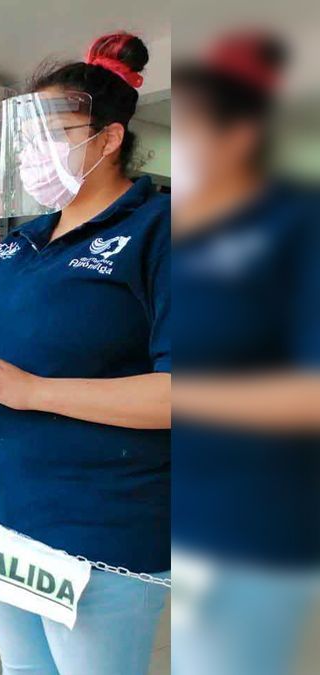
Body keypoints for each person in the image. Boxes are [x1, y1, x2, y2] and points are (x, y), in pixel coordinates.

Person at [0, 32, 170, 674]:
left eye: (52, 134)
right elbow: (1, 346)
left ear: (109, 138)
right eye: (26, 139)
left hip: (96, 526)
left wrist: (31, 390)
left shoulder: (162, 231)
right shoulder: (21, 242)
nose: (34, 153)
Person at [171, 32, 320, 675]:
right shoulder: (186, 231)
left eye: (188, 129)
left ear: (240, 136)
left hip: (254, 523)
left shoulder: (298, 224)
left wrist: (173, 396)